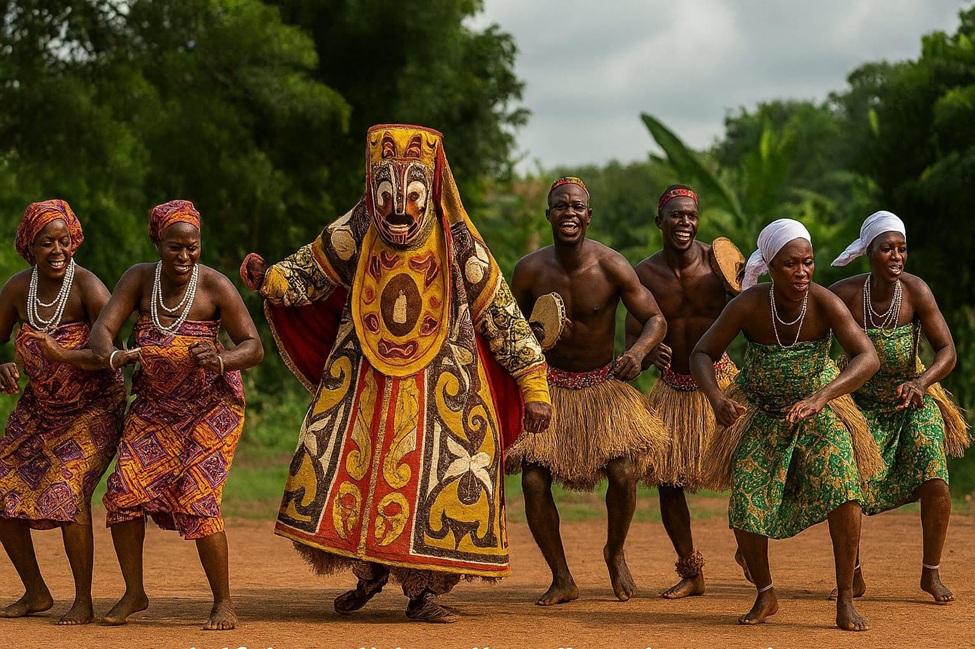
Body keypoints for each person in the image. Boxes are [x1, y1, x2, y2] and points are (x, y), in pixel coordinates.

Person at [241, 124, 551, 623]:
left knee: (442, 476)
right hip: (363, 379)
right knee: (346, 468)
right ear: (373, 184)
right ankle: (369, 576)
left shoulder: (458, 242)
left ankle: (423, 593)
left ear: (431, 187)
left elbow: (501, 313)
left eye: (412, 195)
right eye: (387, 195)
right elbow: (309, 270)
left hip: (443, 381)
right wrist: (271, 279)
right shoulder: (358, 227)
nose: (399, 209)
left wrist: (533, 384)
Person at [691, 218, 882, 632]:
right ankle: (766, 594)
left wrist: (821, 398)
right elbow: (701, 353)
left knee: (845, 491)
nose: (802, 272)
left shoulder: (825, 302)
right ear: (770, 267)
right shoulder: (748, 304)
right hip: (761, 413)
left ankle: (845, 597)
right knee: (745, 505)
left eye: (808, 262)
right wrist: (717, 399)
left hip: (819, 411)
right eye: (791, 264)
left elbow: (868, 357)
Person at [91, 200, 264, 630]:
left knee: (198, 498)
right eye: (175, 247)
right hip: (154, 408)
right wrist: (114, 356)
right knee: (124, 492)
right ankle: (134, 592)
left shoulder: (216, 286)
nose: (185, 256)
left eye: (193, 247)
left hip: (211, 409)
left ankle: (223, 602)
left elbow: (253, 347)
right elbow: (102, 331)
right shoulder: (138, 279)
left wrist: (221, 360)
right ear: (158, 243)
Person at [508, 176, 668, 605]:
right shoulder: (529, 270)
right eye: (561, 206)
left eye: (577, 207)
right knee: (534, 481)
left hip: (602, 388)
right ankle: (562, 577)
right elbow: (507, 330)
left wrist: (638, 352)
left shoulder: (612, 265)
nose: (569, 213)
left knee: (623, 473)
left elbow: (655, 319)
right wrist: (533, 340)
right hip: (549, 389)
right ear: (549, 215)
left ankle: (615, 552)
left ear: (589, 215)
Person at [0, 200, 134, 625]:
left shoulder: (88, 288)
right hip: (39, 410)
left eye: (64, 241)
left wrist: (61, 353)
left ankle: (83, 600)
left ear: (74, 242)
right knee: (0, 487)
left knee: (67, 489)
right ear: (29, 246)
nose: (57, 250)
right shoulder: (17, 290)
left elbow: (113, 356)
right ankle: (36, 592)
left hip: (94, 409)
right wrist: (2, 365)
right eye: (46, 243)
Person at [830, 210, 969, 603]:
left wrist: (921, 382)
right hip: (857, 404)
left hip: (912, 398)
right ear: (868, 252)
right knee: (845, 485)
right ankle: (853, 576)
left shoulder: (916, 291)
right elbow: (809, 330)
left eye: (902, 249)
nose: (896, 256)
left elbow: (947, 351)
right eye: (887, 248)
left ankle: (931, 573)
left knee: (936, 478)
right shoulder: (844, 294)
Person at [630, 185, 738, 599]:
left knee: (745, 469)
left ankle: (749, 550)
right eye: (676, 215)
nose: (685, 223)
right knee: (667, 481)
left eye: (691, 215)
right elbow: (632, 340)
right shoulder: (643, 274)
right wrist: (645, 353)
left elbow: (751, 311)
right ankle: (691, 570)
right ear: (660, 221)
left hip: (721, 382)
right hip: (673, 390)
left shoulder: (720, 264)